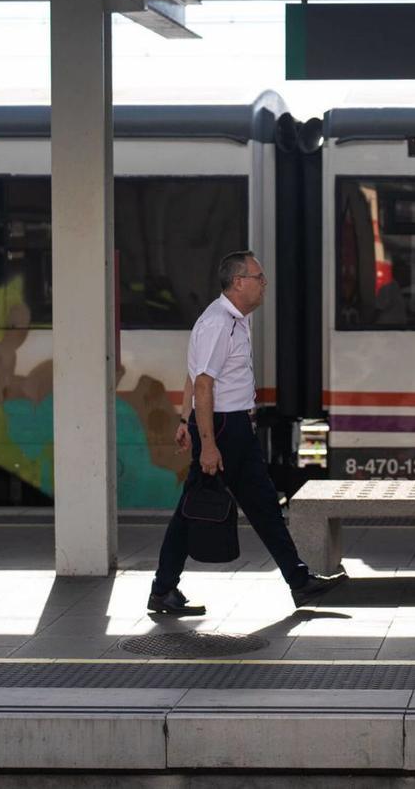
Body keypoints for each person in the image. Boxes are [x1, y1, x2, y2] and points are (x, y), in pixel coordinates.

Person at [148, 250, 346, 615]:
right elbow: (204, 383)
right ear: (238, 282)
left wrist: (183, 419)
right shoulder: (218, 322)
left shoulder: (236, 320)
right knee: (196, 508)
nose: (264, 283)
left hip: (233, 424)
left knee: (261, 504)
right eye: (258, 277)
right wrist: (206, 443)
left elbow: (195, 374)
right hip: (222, 426)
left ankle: (298, 581)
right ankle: (162, 590)